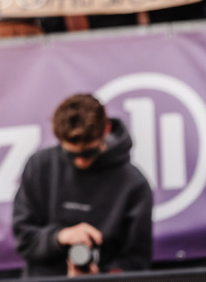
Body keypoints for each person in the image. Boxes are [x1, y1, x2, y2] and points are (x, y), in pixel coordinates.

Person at [12, 93, 153, 276]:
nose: (80, 162)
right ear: (59, 140)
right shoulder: (40, 166)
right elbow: (24, 239)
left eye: (89, 152)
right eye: (71, 155)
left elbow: (137, 261)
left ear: (106, 130)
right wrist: (61, 236)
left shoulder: (134, 184)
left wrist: (99, 277)